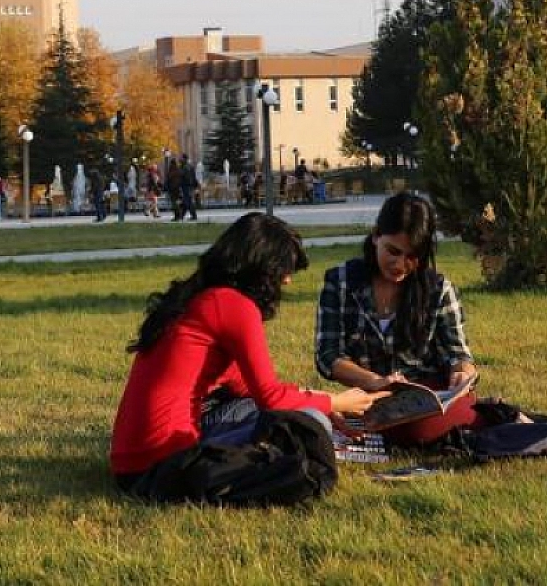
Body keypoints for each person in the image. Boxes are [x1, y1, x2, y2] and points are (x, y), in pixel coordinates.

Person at [110, 213, 385, 502]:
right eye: (284, 270)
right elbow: (271, 398)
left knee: (294, 414)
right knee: (310, 421)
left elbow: (246, 390)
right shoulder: (234, 305)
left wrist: (320, 399)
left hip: (131, 463)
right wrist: (335, 402)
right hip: (162, 465)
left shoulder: (200, 297)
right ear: (262, 267)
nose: (288, 281)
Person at [315, 193, 490, 449]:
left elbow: (458, 354)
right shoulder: (340, 282)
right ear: (376, 236)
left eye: (412, 256)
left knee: (442, 420)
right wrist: (374, 381)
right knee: (318, 415)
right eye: (393, 251)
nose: (400, 264)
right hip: (366, 395)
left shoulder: (439, 290)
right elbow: (328, 356)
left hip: (426, 398)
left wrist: (462, 372)